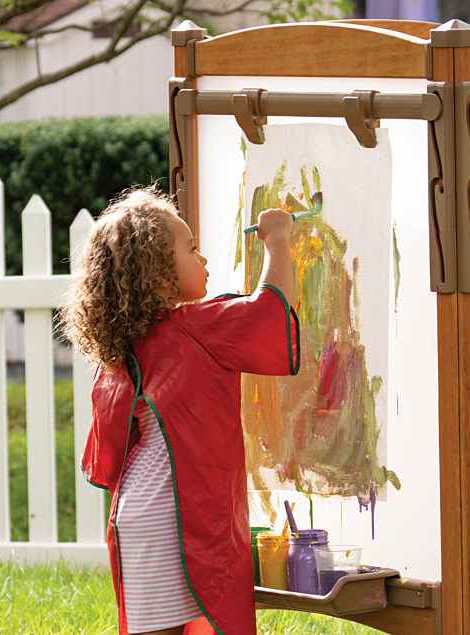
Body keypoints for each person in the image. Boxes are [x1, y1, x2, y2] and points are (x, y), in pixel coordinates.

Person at [59, 185, 300, 635]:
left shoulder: (129, 344)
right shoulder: (195, 328)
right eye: (191, 249)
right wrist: (278, 240)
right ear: (159, 276)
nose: (203, 258)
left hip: (138, 511)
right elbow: (270, 311)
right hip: (178, 516)